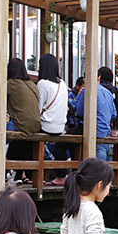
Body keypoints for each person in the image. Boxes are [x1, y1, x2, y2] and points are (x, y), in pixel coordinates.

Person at [37, 54, 69, 184]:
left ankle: (27, 176)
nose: (38, 69)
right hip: (60, 127)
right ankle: (60, 175)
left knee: (23, 139)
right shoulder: (63, 83)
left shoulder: (42, 83)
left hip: (46, 126)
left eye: (39, 66)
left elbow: (38, 108)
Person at [75, 71, 117, 162]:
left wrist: (78, 96)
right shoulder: (108, 93)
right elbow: (114, 113)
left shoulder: (87, 90)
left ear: (84, 79)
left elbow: (80, 111)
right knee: (104, 155)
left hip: (93, 131)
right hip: (106, 130)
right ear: (99, 78)